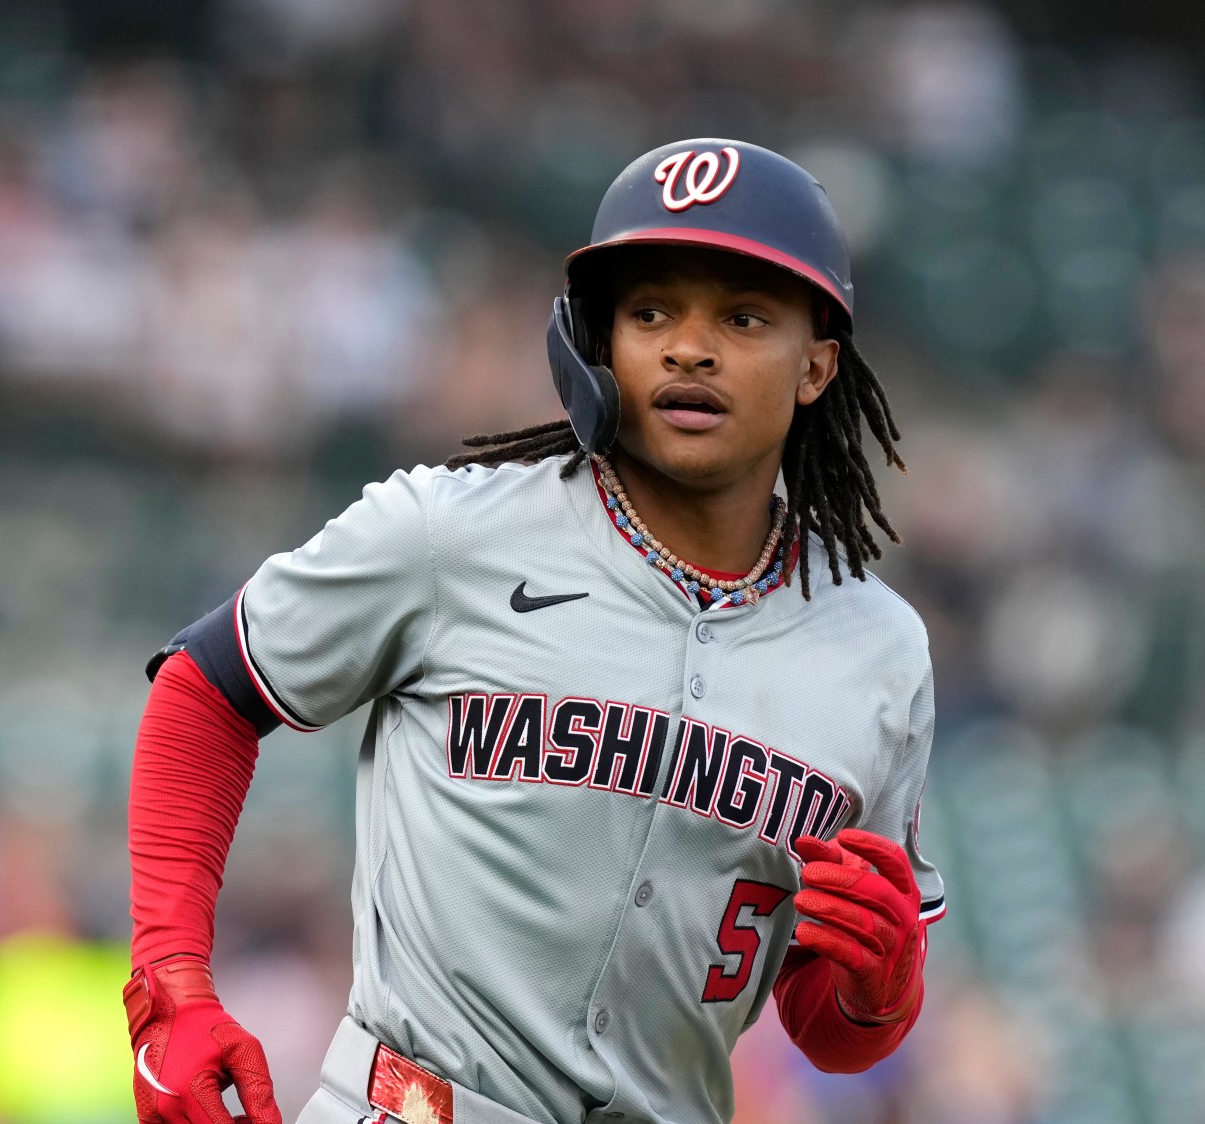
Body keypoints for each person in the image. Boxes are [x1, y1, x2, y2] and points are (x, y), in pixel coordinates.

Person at [124, 138, 946, 1124]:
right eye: (649, 311)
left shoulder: (878, 651)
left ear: (815, 364)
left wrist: (877, 990)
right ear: (596, 342)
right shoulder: (448, 533)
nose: (688, 345)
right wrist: (169, 979)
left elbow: (826, 1025)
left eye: (740, 315)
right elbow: (203, 691)